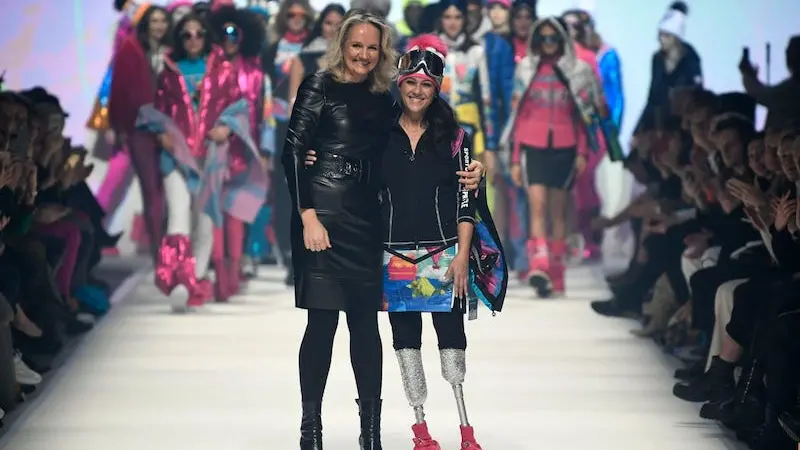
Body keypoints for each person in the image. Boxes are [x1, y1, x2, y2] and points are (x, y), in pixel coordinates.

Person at [283, 11, 484, 450]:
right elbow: (293, 153)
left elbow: (427, 133)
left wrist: (473, 167)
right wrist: (308, 215)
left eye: (372, 47)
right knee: (321, 322)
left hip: (365, 219)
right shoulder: (318, 85)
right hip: (322, 214)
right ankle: (310, 430)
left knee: (364, 325)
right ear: (342, 45)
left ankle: (370, 433)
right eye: (356, 45)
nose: (363, 54)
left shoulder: (385, 98)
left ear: (382, 52)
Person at [382, 34, 505, 450]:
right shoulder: (378, 134)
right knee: (406, 343)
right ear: (400, 83)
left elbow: (465, 202)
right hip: (394, 256)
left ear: (436, 89)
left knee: (452, 340)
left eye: (426, 85)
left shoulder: (455, 137)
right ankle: (420, 430)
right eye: (411, 83)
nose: (417, 91)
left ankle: (466, 430)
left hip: (444, 253)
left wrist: (463, 255)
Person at [500, 16, 600, 298]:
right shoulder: (525, 69)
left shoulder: (578, 71)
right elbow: (518, 116)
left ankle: (556, 276)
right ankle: (540, 266)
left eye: (553, 38)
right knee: (537, 207)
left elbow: (582, 117)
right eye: (542, 38)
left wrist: (582, 152)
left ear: (562, 40)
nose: (547, 43)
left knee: (557, 213)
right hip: (532, 145)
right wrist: (515, 158)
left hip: (566, 146)